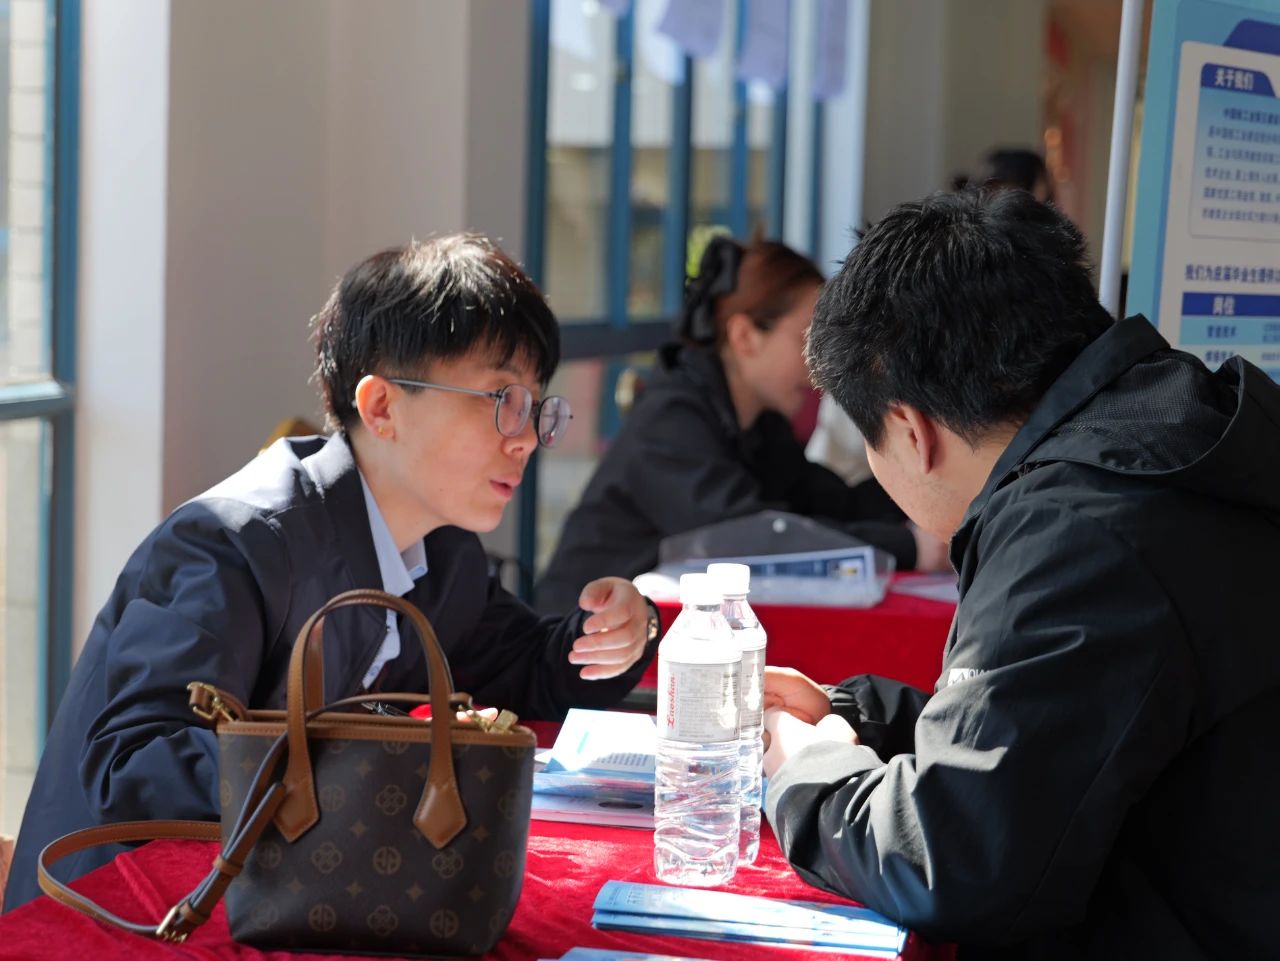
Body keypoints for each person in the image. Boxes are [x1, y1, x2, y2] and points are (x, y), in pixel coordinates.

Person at [3, 236, 662, 912]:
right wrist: (370, 769)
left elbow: (530, 671)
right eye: (501, 398)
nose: (523, 438)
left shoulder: (443, 552)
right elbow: (134, 764)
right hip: (118, 912)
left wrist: (618, 631)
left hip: (280, 901)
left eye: (536, 407)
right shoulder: (231, 543)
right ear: (381, 407)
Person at [761, 189, 1279, 959]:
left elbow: (956, 861)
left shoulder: (1079, 528)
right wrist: (857, 714)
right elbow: (1066, 736)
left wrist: (807, 775)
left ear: (909, 430)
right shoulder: (1170, 433)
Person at [535, 236, 945, 613]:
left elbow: (829, 504)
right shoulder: (670, 421)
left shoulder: (759, 426)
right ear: (745, 336)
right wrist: (908, 547)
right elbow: (750, 538)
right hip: (584, 644)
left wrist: (930, 481)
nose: (821, 365)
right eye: (807, 340)